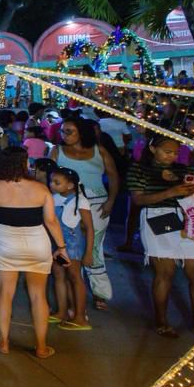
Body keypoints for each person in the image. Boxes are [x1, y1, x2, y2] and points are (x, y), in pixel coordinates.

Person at [0, 148, 69, 359]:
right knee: (38, 295)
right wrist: (61, 247)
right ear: (25, 163)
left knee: (5, 293)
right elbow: (51, 221)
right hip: (37, 241)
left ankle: (4, 342)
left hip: (7, 240)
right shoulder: (40, 189)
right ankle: (42, 347)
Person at [126, 133, 194, 337]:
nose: (172, 156)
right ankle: (161, 321)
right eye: (167, 151)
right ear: (153, 149)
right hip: (160, 216)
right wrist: (172, 192)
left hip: (189, 218)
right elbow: (138, 200)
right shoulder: (139, 169)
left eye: (176, 152)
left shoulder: (185, 170)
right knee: (165, 272)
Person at [51, 116, 120, 310]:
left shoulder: (100, 151)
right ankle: (74, 294)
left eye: (69, 131)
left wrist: (111, 201)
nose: (64, 135)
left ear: (82, 132)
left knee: (94, 247)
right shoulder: (57, 151)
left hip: (97, 203)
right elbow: (49, 176)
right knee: (70, 246)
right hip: (67, 204)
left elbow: (114, 176)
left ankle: (100, 293)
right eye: (63, 131)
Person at [48, 167, 93, 330]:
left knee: (75, 276)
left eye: (56, 182)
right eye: (51, 181)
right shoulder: (53, 198)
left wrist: (88, 253)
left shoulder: (80, 201)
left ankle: (80, 317)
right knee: (58, 275)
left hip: (73, 245)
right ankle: (62, 312)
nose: (52, 184)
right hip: (57, 243)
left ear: (70, 185)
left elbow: (89, 228)